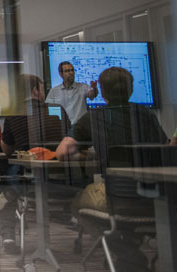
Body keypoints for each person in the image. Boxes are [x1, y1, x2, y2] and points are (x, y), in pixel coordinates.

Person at [56, 67, 168, 272]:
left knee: (76, 203)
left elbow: (63, 152)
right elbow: (164, 149)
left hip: (118, 197)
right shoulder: (147, 116)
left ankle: (122, 247)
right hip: (155, 197)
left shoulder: (93, 117)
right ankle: (130, 244)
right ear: (131, 89)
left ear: (103, 92)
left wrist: (90, 156)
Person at [0, 74, 70, 253]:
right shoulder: (58, 109)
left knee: (4, 186)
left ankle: (9, 236)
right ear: (36, 91)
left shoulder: (14, 115)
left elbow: (8, 150)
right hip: (63, 179)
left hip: (29, 179)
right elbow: (69, 139)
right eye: (42, 89)